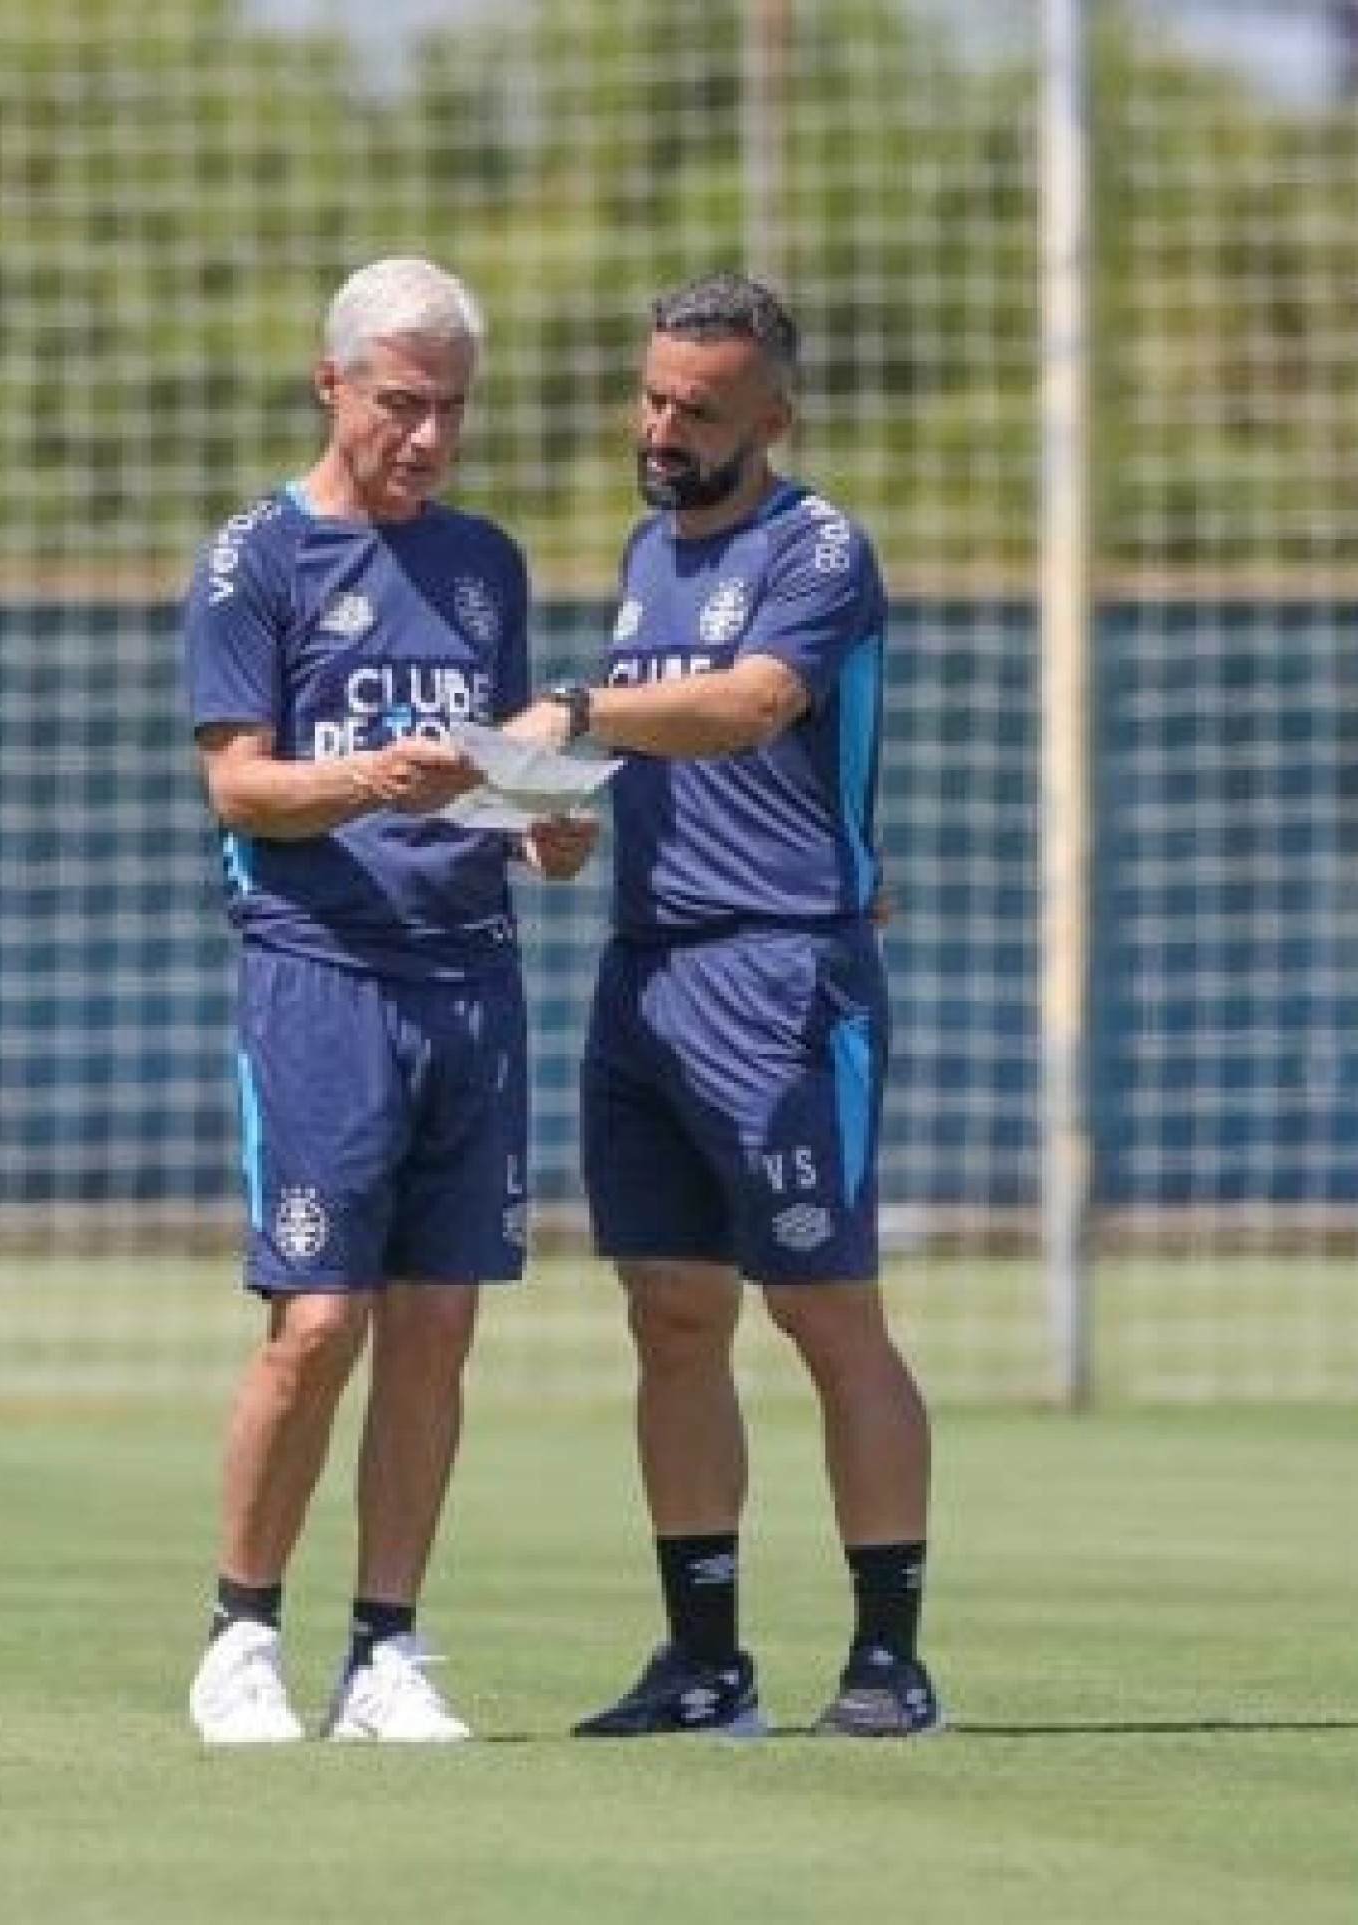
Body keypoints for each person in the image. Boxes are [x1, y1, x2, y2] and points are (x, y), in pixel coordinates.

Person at [505, 271, 939, 1739]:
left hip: (783, 977)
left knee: (826, 1311)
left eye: (697, 406)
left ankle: (888, 1658)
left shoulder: (818, 547)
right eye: (651, 395)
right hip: (647, 975)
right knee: (672, 1314)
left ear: (772, 414)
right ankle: (704, 1662)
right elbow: (644, 747)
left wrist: (574, 712)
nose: (663, 425)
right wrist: (557, 817)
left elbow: (752, 704)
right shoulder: (644, 552)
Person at [181, 257, 598, 1745]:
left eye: (451, 412)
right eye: (400, 405)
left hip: (469, 980)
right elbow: (238, 783)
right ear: (332, 385)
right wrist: (370, 776)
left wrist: (548, 824)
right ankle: (240, 1634)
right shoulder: (255, 563)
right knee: (317, 1319)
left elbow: (498, 781)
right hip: (319, 974)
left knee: (436, 1326)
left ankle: (389, 1652)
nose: (425, 439)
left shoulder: (485, 566)